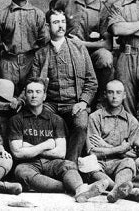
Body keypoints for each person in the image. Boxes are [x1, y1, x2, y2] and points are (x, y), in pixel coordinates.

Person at [8, 77, 108, 202]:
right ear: (26, 96)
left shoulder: (56, 119)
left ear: (44, 96)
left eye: (38, 92)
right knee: (21, 172)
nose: (34, 96)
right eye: (30, 92)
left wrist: (28, 148)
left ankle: (79, 189)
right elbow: (17, 153)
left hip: (52, 163)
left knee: (68, 165)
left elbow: (60, 153)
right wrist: (47, 144)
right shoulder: (16, 120)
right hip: (29, 164)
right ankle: (75, 188)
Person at [28, 9, 98, 163]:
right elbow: (33, 84)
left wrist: (83, 102)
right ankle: (47, 165)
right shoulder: (41, 54)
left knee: (80, 124)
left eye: (63, 22)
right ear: (47, 26)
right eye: (55, 22)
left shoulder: (79, 48)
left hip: (75, 102)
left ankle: (70, 165)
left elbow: (91, 81)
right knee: (38, 120)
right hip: (50, 103)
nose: (60, 26)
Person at [51, 0, 113, 108]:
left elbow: (108, 44)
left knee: (105, 57)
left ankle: (100, 102)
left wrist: (82, 44)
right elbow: (50, 17)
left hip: (89, 55)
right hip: (65, 53)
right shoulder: (68, 1)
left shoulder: (103, 11)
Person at [84, 80, 139, 203]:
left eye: (118, 92)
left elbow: (132, 154)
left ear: (124, 95)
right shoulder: (95, 117)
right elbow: (92, 151)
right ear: (105, 94)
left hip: (119, 163)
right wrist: (120, 149)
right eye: (111, 92)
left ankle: (114, 189)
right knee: (87, 163)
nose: (115, 96)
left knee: (129, 162)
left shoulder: (132, 122)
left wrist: (105, 146)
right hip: (99, 163)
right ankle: (120, 191)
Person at [0, 0, 49, 97]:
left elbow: (44, 43)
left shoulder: (38, 14)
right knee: (6, 100)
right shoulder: (1, 15)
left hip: (31, 63)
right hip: (8, 65)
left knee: (30, 99)